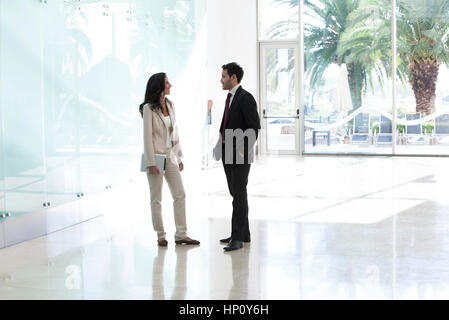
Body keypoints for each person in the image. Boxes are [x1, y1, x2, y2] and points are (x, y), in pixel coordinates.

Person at [140, 72, 200, 247]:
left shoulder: (171, 105)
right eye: (167, 82)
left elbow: (175, 133)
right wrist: (151, 163)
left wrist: (179, 156)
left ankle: (181, 234)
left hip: (170, 155)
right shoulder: (148, 108)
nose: (170, 85)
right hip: (155, 157)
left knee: (180, 194)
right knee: (156, 198)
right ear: (159, 86)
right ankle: (160, 235)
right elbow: (147, 138)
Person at [213, 62, 261, 252]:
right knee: (237, 193)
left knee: (238, 195)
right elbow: (226, 125)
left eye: (224, 76)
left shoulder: (245, 98)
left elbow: (254, 127)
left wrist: (243, 149)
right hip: (227, 152)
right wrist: (219, 145)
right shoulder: (230, 98)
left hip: (239, 154)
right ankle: (243, 234)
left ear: (234, 78)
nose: (221, 79)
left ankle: (238, 238)